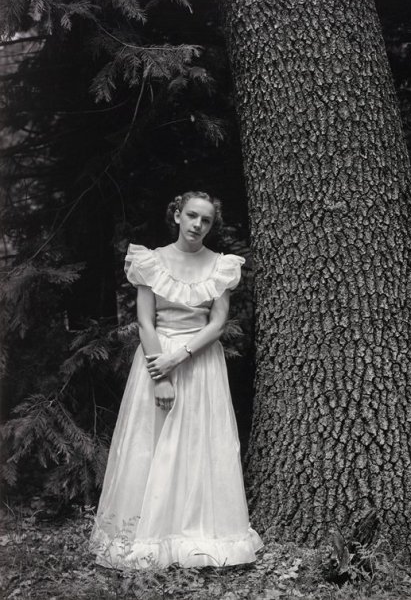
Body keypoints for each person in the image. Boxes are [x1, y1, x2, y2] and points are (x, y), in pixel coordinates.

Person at [90, 191, 263, 569]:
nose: (198, 225)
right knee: (150, 446)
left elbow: (217, 324)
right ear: (177, 216)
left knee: (200, 446)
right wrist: (161, 374)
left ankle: (196, 537)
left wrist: (179, 357)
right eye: (191, 216)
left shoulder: (221, 266)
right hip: (155, 360)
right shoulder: (150, 261)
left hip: (200, 362)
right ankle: (146, 538)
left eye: (206, 220)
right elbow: (146, 322)